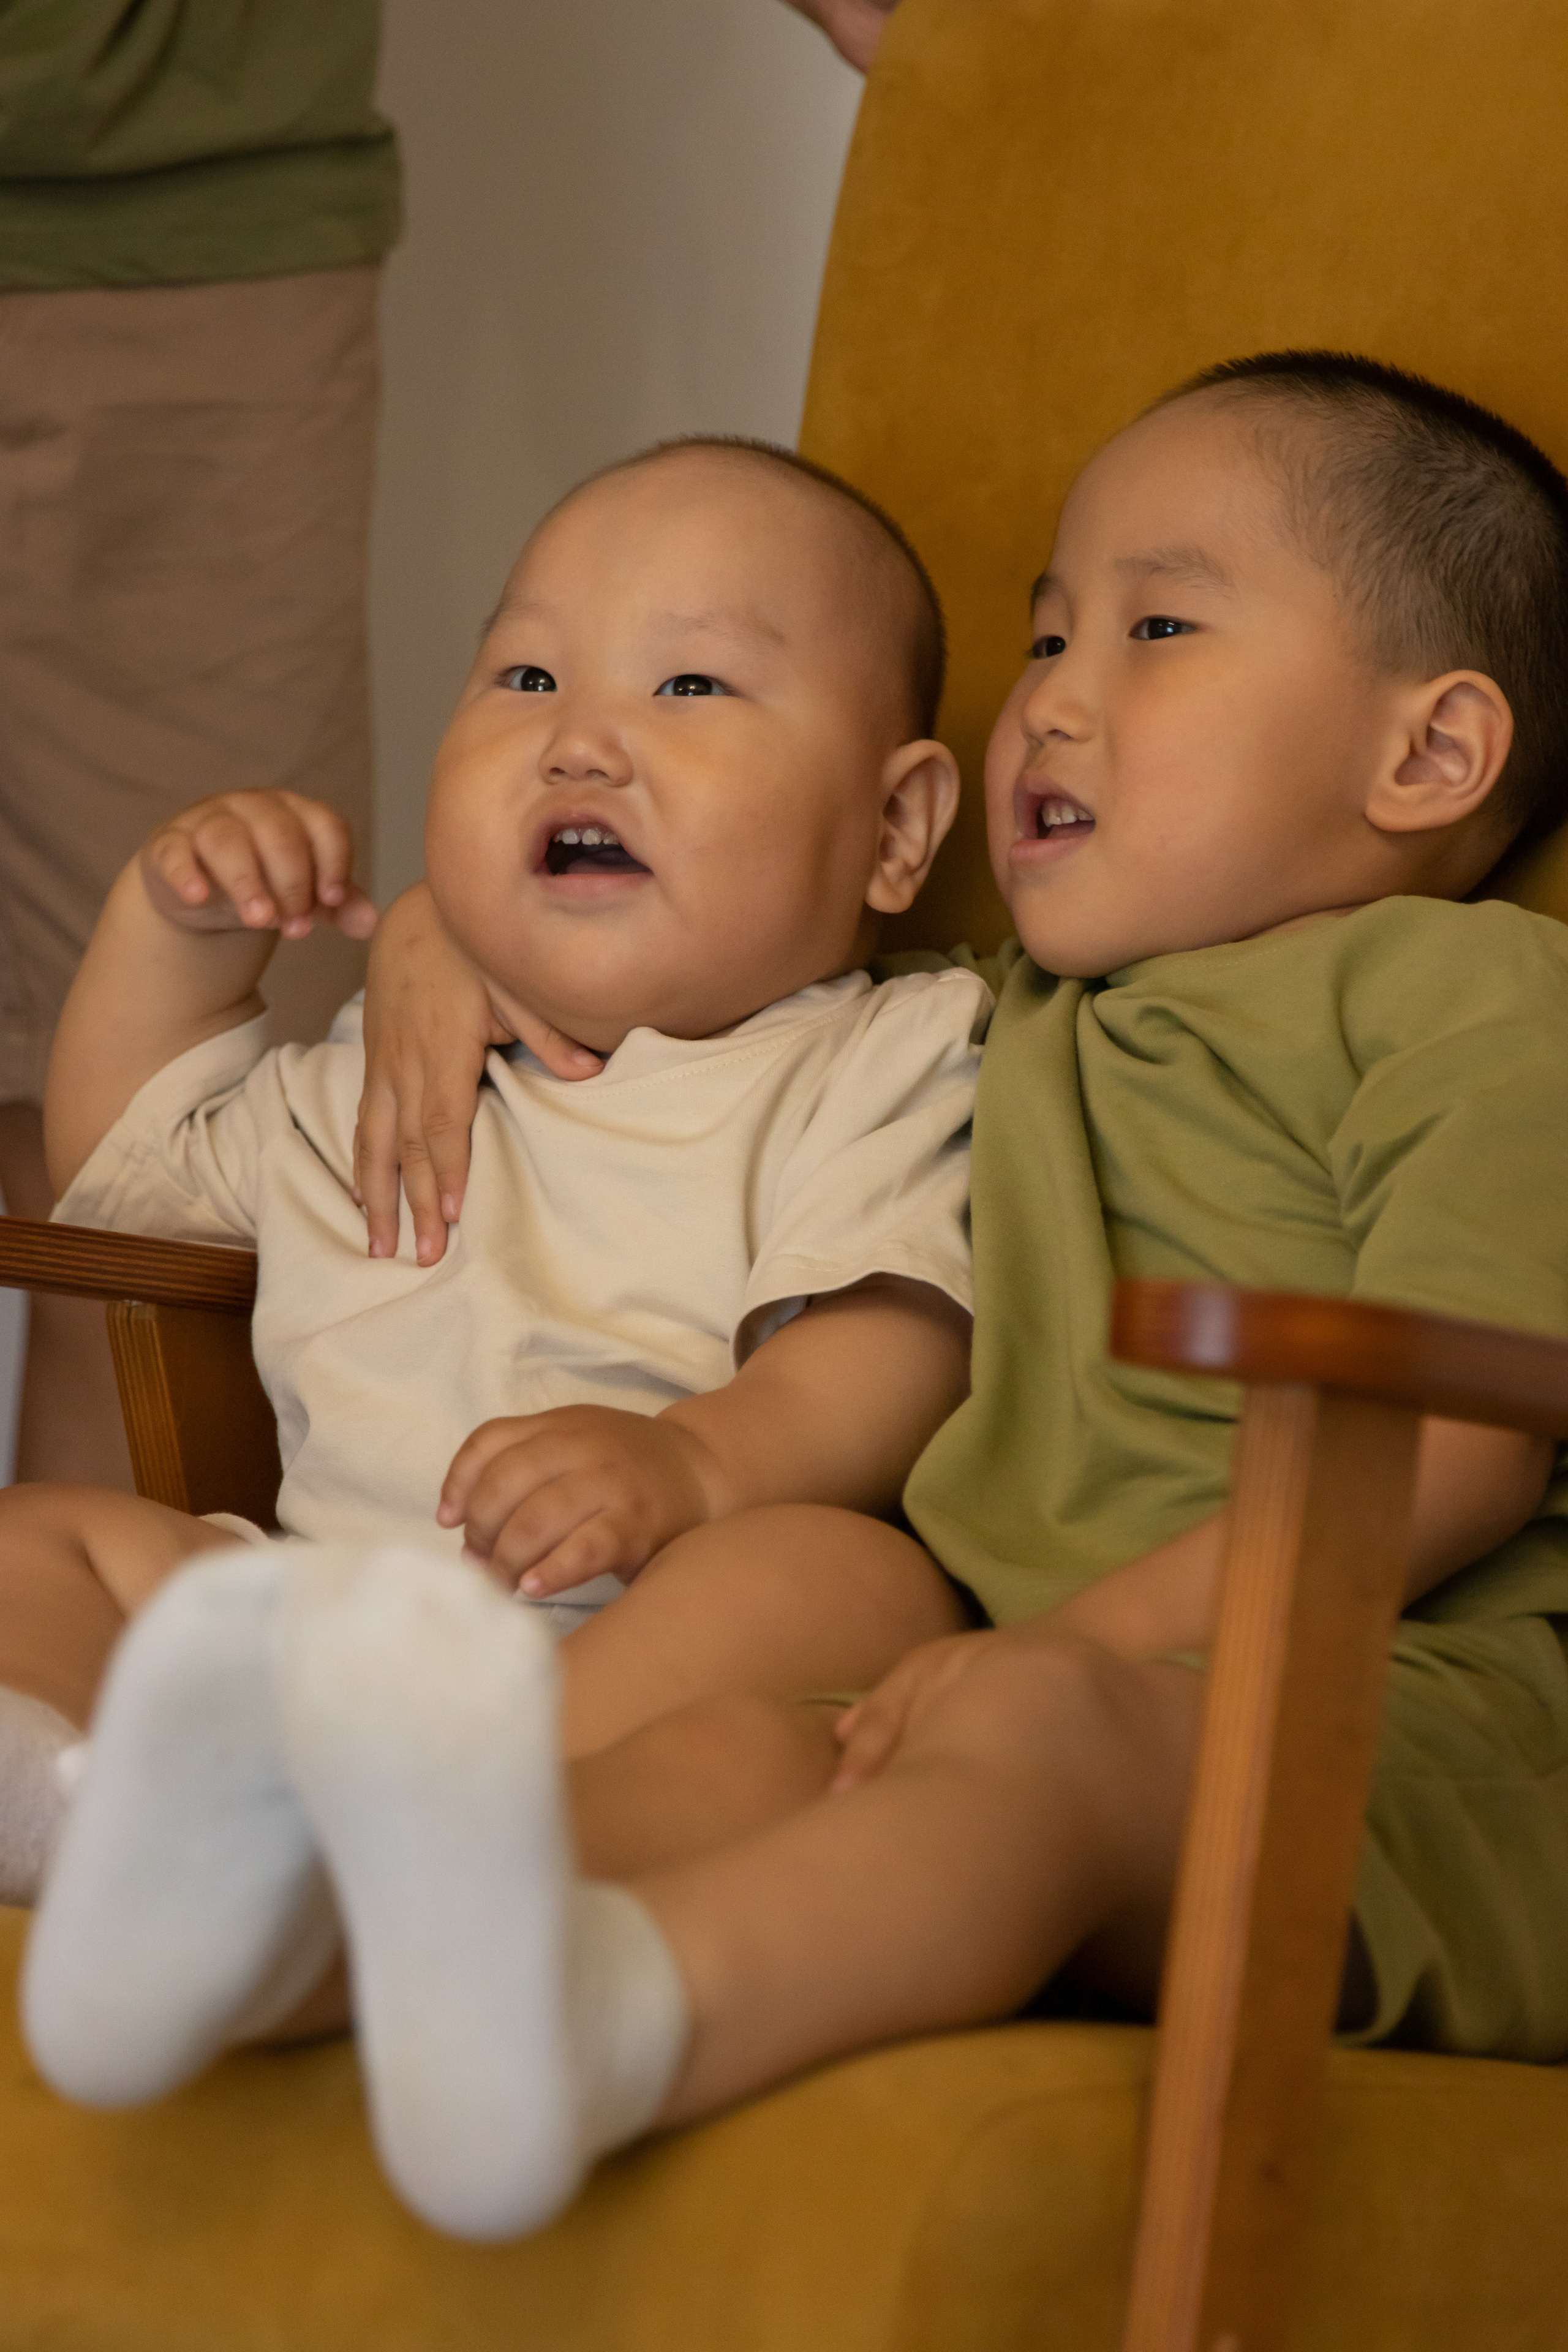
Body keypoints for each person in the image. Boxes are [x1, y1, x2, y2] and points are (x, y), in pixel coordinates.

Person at [24, 349, 1568, 2240]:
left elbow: (1466, 1439)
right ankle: (327, 1929)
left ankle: (612, 2026)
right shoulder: (989, 1017)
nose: (1052, 703)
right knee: (749, 1749)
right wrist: (442, 928)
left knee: (979, 1713)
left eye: (1155, 629)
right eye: (1051, 634)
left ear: (1427, 753)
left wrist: (1069, 1654)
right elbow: (715, 944)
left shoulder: (1471, 1002)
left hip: (1399, 1722)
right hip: (969, 1692)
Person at [0, 437, 991, 1910]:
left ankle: (442, 1852)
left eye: (690, 685)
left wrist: (698, 1463)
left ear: (895, 828)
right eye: (525, 680)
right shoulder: (383, 1076)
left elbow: (899, 1338)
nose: (578, 740)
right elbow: (123, 1164)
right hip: (321, 1624)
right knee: (42, 1540)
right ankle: (64, 1796)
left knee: (845, 1583)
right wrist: (186, 926)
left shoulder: (879, 1053)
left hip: (622, 1651)